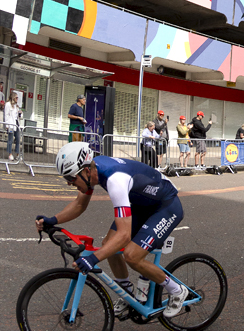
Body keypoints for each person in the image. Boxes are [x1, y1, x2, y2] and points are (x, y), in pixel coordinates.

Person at [37, 142, 187, 318]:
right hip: (143, 204)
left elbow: (123, 236)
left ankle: (177, 290)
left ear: (85, 171)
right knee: (108, 244)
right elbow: (79, 204)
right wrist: (52, 220)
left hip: (166, 205)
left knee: (131, 255)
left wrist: (93, 259)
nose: (69, 183)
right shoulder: (93, 170)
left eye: (70, 178)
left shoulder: (115, 180)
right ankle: (126, 293)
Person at [4, 91, 21, 161]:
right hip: (11, 124)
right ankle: (10, 154)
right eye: (16, 97)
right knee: (10, 140)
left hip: (16, 124)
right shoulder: (8, 104)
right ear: (13, 97)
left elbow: (17, 117)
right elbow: (6, 115)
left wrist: (20, 113)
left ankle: (17, 154)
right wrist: (7, 125)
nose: (17, 99)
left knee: (18, 139)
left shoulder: (16, 106)